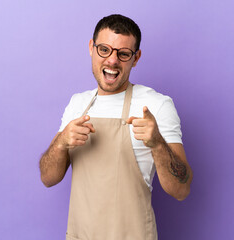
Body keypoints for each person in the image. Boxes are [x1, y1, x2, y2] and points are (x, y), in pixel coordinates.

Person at [39, 14, 193, 240]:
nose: (112, 61)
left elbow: (181, 190)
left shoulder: (157, 105)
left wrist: (158, 144)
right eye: (104, 49)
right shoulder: (77, 104)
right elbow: (48, 178)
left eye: (123, 54)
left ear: (136, 57)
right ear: (91, 48)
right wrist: (61, 142)